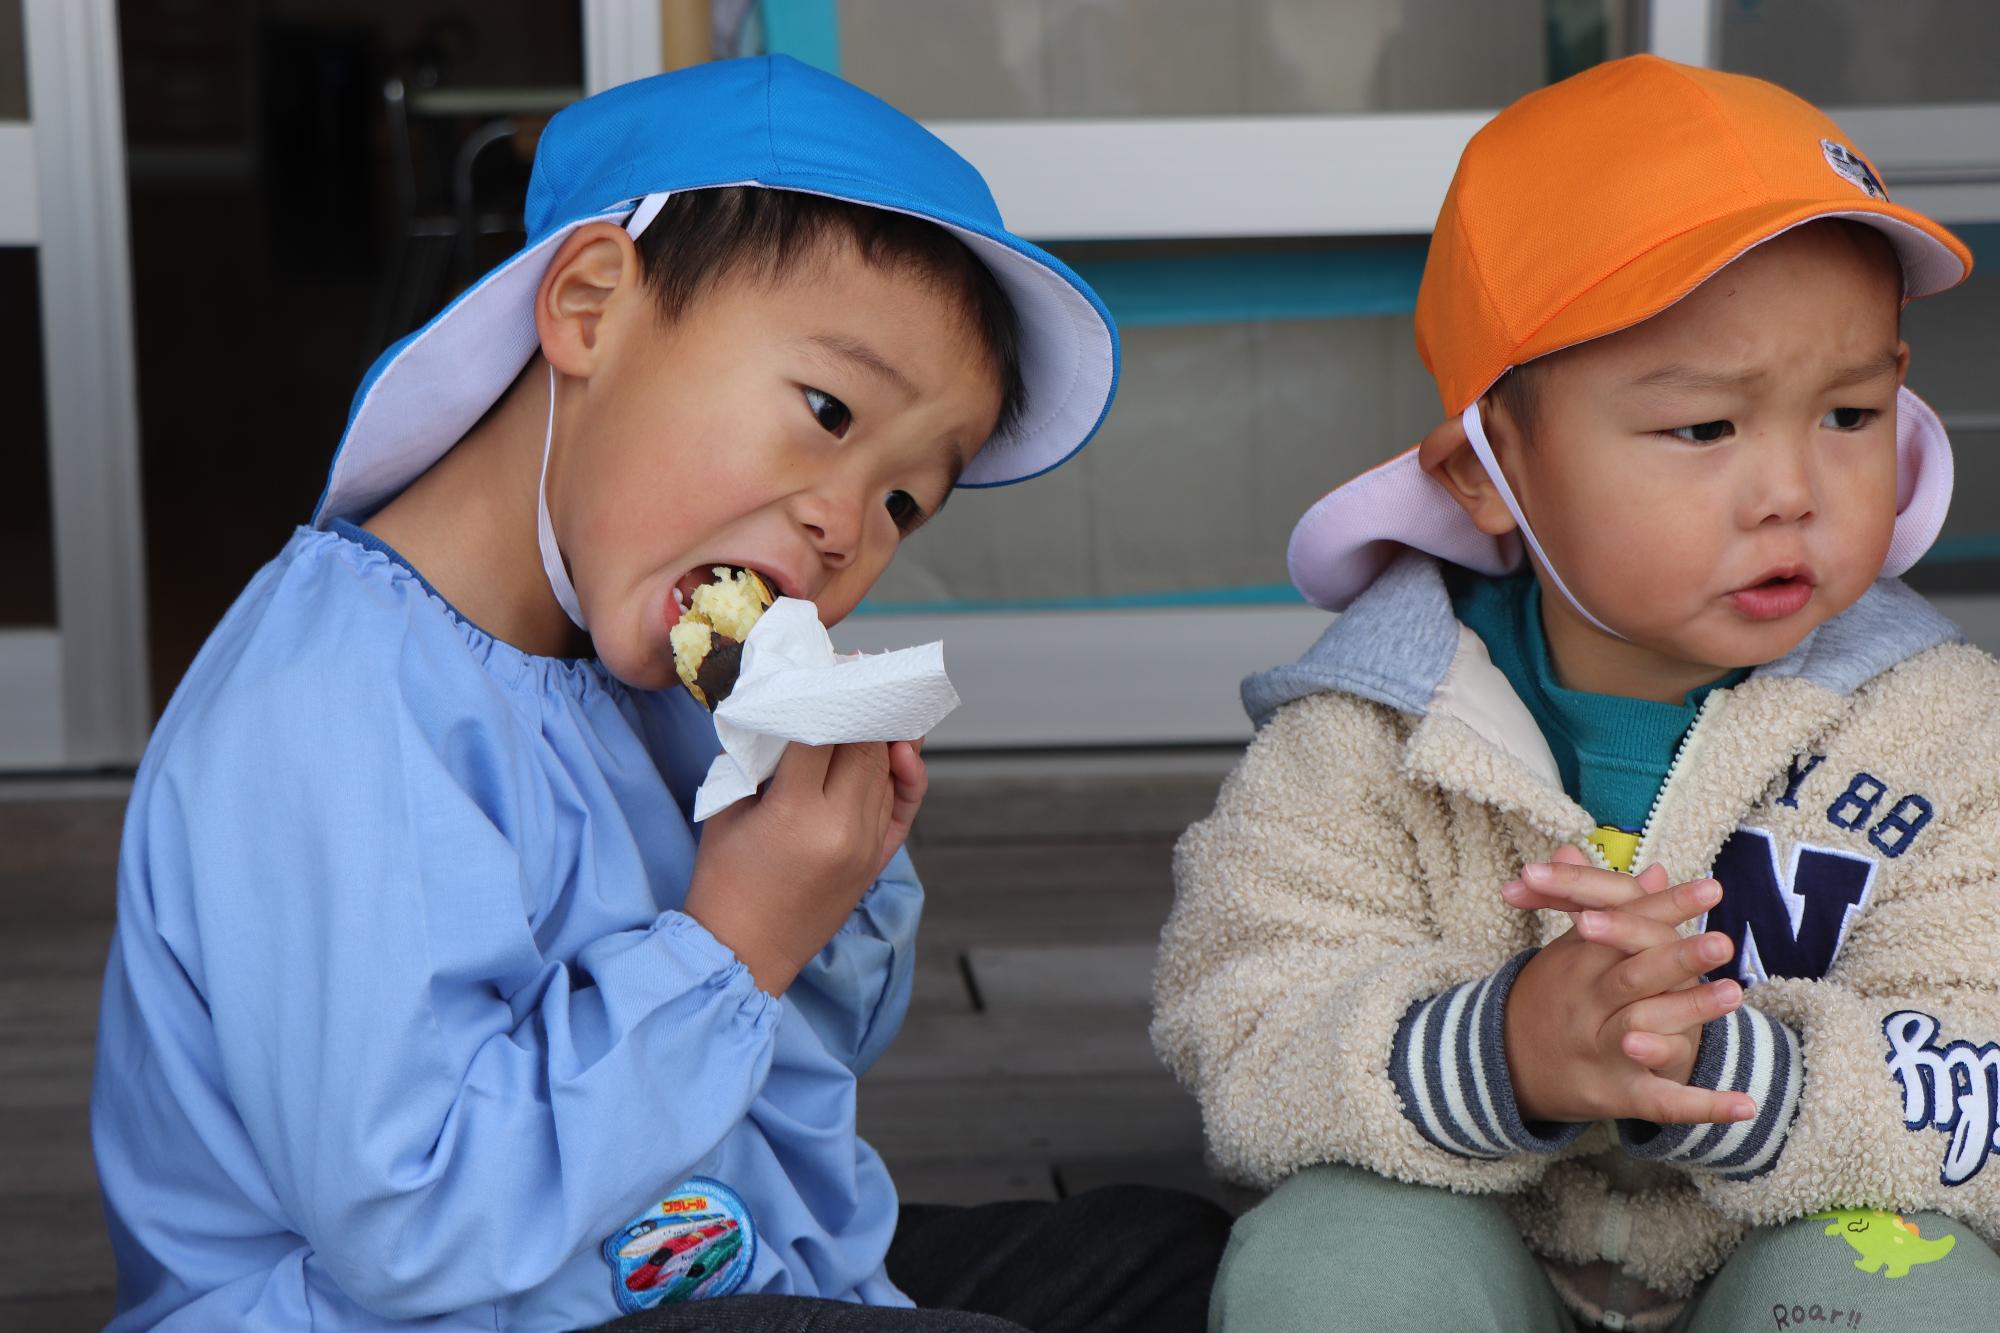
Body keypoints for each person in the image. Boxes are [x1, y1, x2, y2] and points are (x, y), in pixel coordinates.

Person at [93, 55, 1227, 1332]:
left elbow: (802, 1056)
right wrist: (733, 941)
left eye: (907, 498)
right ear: (589, 309)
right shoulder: (331, 710)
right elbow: (417, 1225)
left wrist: (834, 877)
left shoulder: (648, 650)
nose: (846, 525)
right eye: (827, 409)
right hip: (436, 1307)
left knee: (1173, 1261)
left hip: (702, 1249)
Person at [1153, 55, 2000, 1332]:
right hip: (1477, 1236)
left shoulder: (1944, 732)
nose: (1791, 491)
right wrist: (1501, 1051)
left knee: (1907, 1291)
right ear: (1487, 472)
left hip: (1790, 1240)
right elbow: (1243, 1025)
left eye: (1848, 412)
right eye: (1703, 429)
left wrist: (1722, 1065)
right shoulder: (1371, 734)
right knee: (1328, 1260)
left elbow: (1977, 1071)